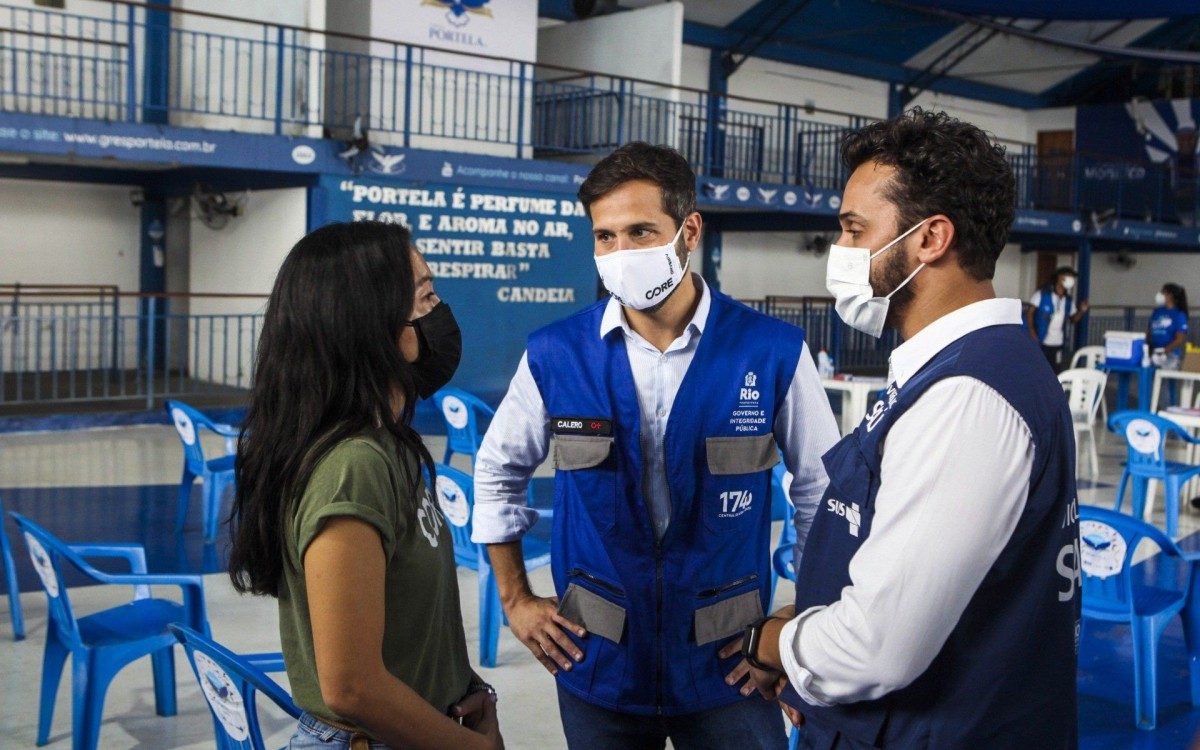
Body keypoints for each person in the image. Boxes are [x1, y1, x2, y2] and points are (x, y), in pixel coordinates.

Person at [470, 142, 840, 749]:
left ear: (688, 230)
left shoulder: (770, 351)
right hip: (598, 663)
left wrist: (798, 622)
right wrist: (515, 598)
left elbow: (823, 493)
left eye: (641, 231)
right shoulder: (557, 354)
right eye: (605, 236)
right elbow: (496, 468)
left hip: (734, 666)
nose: (621, 253)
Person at [740, 109, 1080, 749]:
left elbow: (877, 647)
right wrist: (814, 638)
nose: (838, 250)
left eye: (853, 228)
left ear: (930, 239)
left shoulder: (965, 398)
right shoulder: (968, 370)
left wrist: (778, 643)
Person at [226, 222, 503, 750]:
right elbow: (351, 687)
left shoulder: (387, 445)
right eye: (425, 296)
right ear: (372, 324)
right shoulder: (353, 465)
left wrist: (465, 693)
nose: (438, 313)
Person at [1026, 265, 1089, 370]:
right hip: (1042, 341)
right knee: (1039, 369)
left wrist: (1082, 311)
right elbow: (1030, 313)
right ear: (1059, 277)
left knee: (1056, 369)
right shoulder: (1042, 295)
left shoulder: (1068, 301)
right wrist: (1032, 332)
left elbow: (1073, 319)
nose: (1071, 280)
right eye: (1068, 276)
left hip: (1058, 343)